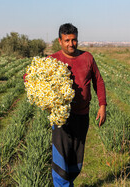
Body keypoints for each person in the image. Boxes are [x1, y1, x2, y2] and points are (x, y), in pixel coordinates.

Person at [49, 23, 107, 187]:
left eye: (74, 40)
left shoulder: (87, 57)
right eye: (67, 40)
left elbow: (98, 81)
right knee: (61, 156)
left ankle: (69, 183)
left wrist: (102, 105)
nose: (71, 44)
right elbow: (30, 76)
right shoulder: (53, 60)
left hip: (82, 115)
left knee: (76, 157)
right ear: (60, 41)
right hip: (62, 118)